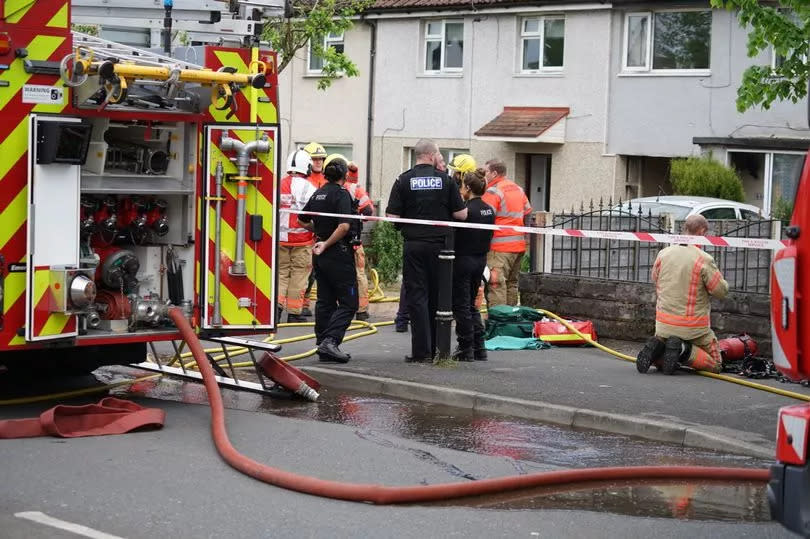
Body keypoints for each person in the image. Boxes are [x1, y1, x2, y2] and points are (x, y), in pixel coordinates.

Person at [386, 139, 467, 362]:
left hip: (414, 245)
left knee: (417, 296)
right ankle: (438, 351)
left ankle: (421, 352)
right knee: (438, 297)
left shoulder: (403, 180)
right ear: (431, 156)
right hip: (440, 248)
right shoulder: (446, 180)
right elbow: (462, 215)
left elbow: (392, 217)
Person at [636, 215, 729, 375]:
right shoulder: (704, 259)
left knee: (667, 348)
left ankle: (659, 352)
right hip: (694, 328)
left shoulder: (663, 254)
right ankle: (683, 350)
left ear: (684, 229)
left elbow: (655, 280)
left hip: (663, 325)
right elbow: (720, 291)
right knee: (716, 364)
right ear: (701, 232)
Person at [298, 156, 358, 363]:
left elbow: (301, 219)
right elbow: (344, 227)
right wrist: (328, 241)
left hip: (321, 254)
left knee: (325, 300)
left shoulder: (319, 192)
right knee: (350, 302)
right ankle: (330, 342)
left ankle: (323, 342)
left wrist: (320, 234)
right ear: (344, 175)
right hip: (337, 254)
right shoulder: (341, 195)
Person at [452, 168, 494, 361]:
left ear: (468, 187)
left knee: (462, 306)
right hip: (480, 260)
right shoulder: (489, 210)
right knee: (472, 305)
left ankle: (465, 348)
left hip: (464, 260)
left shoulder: (467, 211)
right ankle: (480, 347)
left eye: (462, 187)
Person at [481, 158, 532, 307]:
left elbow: (485, 216)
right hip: (518, 246)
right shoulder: (518, 189)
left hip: (499, 249)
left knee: (496, 285)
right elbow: (528, 212)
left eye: (486, 172)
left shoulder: (493, 190)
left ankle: (499, 324)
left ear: (494, 173)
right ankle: (510, 322)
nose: (485, 175)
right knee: (511, 284)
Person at [278, 149, 317, 323]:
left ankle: (277, 310)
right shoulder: (310, 188)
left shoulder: (278, 184)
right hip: (303, 240)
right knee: (299, 276)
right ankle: (294, 313)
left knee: (281, 274)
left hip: (281, 240)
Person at [343, 160, 374, 321]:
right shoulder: (356, 189)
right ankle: (361, 310)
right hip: (354, 241)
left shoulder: (326, 188)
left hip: (334, 243)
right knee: (359, 274)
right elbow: (368, 211)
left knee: (338, 275)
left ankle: (342, 307)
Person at [301, 142, 328, 317]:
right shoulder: (303, 180)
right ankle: (303, 304)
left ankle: (307, 303)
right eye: (315, 159)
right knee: (305, 271)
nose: (318, 162)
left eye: (321, 159)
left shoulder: (327, 180)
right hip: (305, 233)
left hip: (322, 233)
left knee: (318, 271)